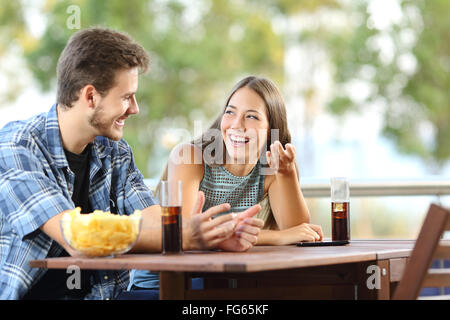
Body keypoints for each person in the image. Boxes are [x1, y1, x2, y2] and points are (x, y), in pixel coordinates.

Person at [0, 27, 264, 300]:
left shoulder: (114, 151)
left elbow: (153, 221)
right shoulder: (17, 146)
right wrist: (183, 236)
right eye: (126, 97)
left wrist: (213, 236)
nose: (135, 108)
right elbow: (76, 236)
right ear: (90, 96)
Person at [129, 76, 323, 291]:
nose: (236, 125)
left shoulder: (271, 166)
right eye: (230, 112)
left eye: (251, 117)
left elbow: (297, 230)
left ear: (270, 129)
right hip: (162, 284)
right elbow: (188, 233)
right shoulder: (190, 156)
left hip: (218, 279)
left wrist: (286, 175)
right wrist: (275, 238)